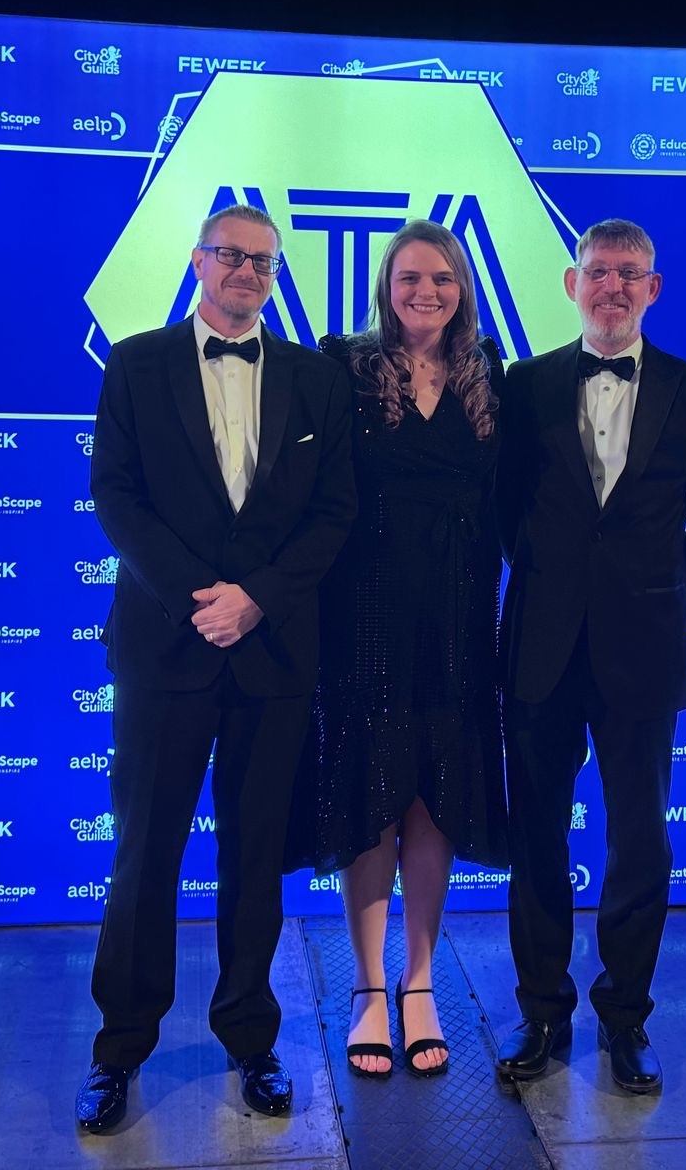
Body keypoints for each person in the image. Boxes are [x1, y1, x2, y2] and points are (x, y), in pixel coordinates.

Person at [76, 204, 356, 1135]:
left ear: (275, 276)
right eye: (230, 256)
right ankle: (119, 1049)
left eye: (262, 262)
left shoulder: (317, 380)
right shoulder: (137, 363)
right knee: (145, 854)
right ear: (199, 262)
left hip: (273, 657)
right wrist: (208, 597)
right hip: (167, 648)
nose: (245, 272)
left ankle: (250, 1037)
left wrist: (258, 600)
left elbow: (334, 513)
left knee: (254, 858)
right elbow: (115, 495)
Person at [492, 218, 686, 1095]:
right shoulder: (522, 387)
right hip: (541, 651)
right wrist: (557, 588)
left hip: (644, 650)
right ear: (572, 283)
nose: (614, 287)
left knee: (640, 842)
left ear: (654, 289)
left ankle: (625, 1016)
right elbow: (503, 512)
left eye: (631, 274)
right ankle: (541, 1010)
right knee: (536, 840)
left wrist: (658, 594)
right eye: (600, 272)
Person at [289, 220, 510, 1078]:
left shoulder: (493, 380)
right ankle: (368, 990)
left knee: (435, 793)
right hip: (364, 615)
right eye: (411, 277)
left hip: (458, 619)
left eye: (443, 278)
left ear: (463, 288)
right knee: (371, 792)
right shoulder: (340, 367)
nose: (427, 291)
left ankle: (421, 983)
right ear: (386, 284)